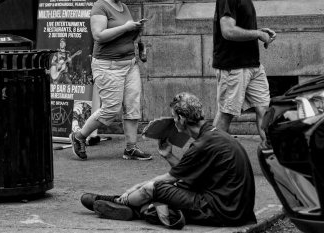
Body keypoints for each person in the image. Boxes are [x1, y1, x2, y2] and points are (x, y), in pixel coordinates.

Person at [80, 92, 257, 229]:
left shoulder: (202, 145)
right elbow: (186, 174)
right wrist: (168, 155)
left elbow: (165, 181)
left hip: (221, 211)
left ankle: (120, 203)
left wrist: (131, 191)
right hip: (236, 210)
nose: (173, 121)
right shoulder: (214, 134)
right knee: (170, 187)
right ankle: (135, 206)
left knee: (155, 187)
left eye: (174, 117)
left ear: (181, 118)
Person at [69, 0, 150, 161]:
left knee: (132, 106)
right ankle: (79, 136)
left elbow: (128, 32)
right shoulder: (100, 6)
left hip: (129, 64)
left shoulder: (123, 6)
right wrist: (126, 27)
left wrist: (139, 40)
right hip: (108, 65)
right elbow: (99, 35)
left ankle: (131, 148)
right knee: (111, 109)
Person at [212, 0, 276, 149]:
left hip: (253, 65)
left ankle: (270, 155)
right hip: (234, 66)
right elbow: (228, 31)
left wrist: (259, 31)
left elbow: (239, 28)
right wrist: (257, 34)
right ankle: (207, 155)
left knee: (264, 111)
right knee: (227, 114)